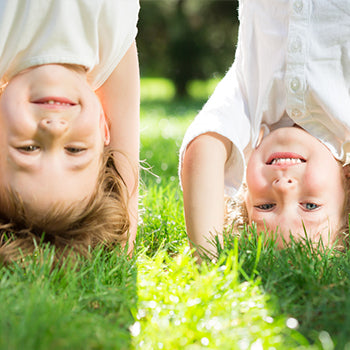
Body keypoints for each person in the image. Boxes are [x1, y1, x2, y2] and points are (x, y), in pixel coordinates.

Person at [180, 0, 350, 260]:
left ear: (245, 190)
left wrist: (207, 263)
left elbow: (203, 148)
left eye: (266, 206)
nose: (283, 187)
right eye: (310, 206)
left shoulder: (250, 105)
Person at [0, 0, 140, 263]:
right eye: (75, 150)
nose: (54, 130)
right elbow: (126, 127)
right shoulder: (109, 46)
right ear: (103, 128)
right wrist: (125, 247)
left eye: (28, 148)